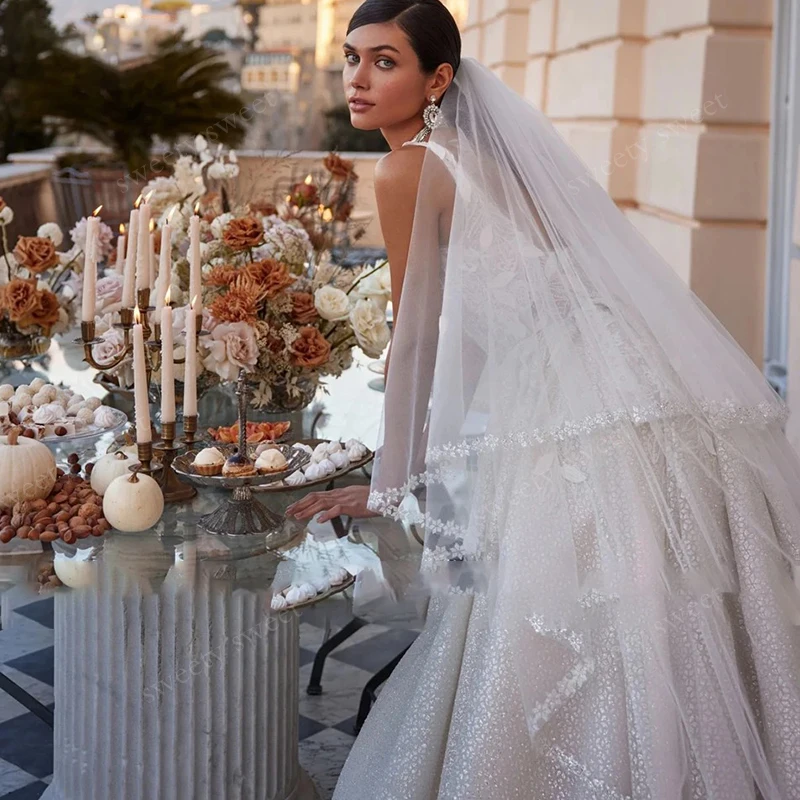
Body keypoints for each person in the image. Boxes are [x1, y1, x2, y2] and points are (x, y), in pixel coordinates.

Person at [287, 0, 800, 797]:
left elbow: (419, 338)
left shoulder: (407, 168)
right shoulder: (477, 156)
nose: (357, 77)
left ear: (438, 79)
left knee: (573, 609)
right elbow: (507, 311)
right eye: (352, 57)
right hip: (636, 388)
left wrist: (392, 483)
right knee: (645, 609)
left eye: (384, 60)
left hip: (579, 416)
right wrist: (426, 463)